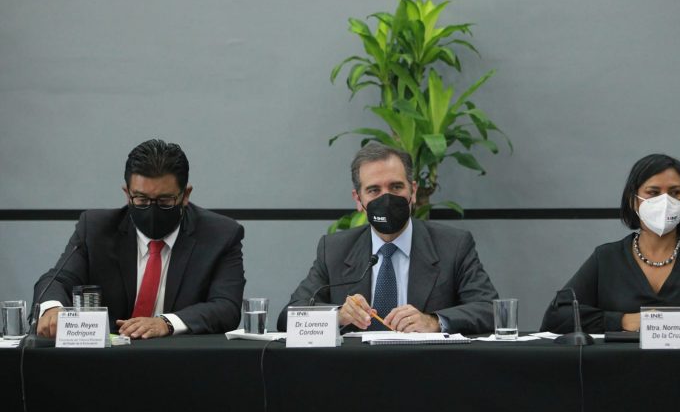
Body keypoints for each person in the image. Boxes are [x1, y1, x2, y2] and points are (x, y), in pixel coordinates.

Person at [33, 139, 245, 339]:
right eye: (142, 199)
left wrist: (166, 323)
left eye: (165, 201)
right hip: (104, 361)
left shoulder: (219, 235)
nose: (152, 210)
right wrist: (52, 308)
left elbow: (226, 307)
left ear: (185, 195)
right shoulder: (96, 229)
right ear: (127, 194)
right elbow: (58, 279)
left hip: (180, 362)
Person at [277, 142, 498, 334]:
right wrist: (339, 316)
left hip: (428, 370)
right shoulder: (334, 249)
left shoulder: (453, 245)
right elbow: (290, 317)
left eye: (396, 187)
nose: (387, 198)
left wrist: (433, 322)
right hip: (354, 371)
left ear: (412, 191)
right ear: (358, 199)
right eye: (374, 190)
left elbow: (490, 308)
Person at [540, 154, 680, 335]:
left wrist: (675, 323)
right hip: (618, 375)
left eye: (675, 192)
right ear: (633, 200)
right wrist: (623, 320)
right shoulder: (606, 258)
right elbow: (557, 317)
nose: (665, 201)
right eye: (653, 192)